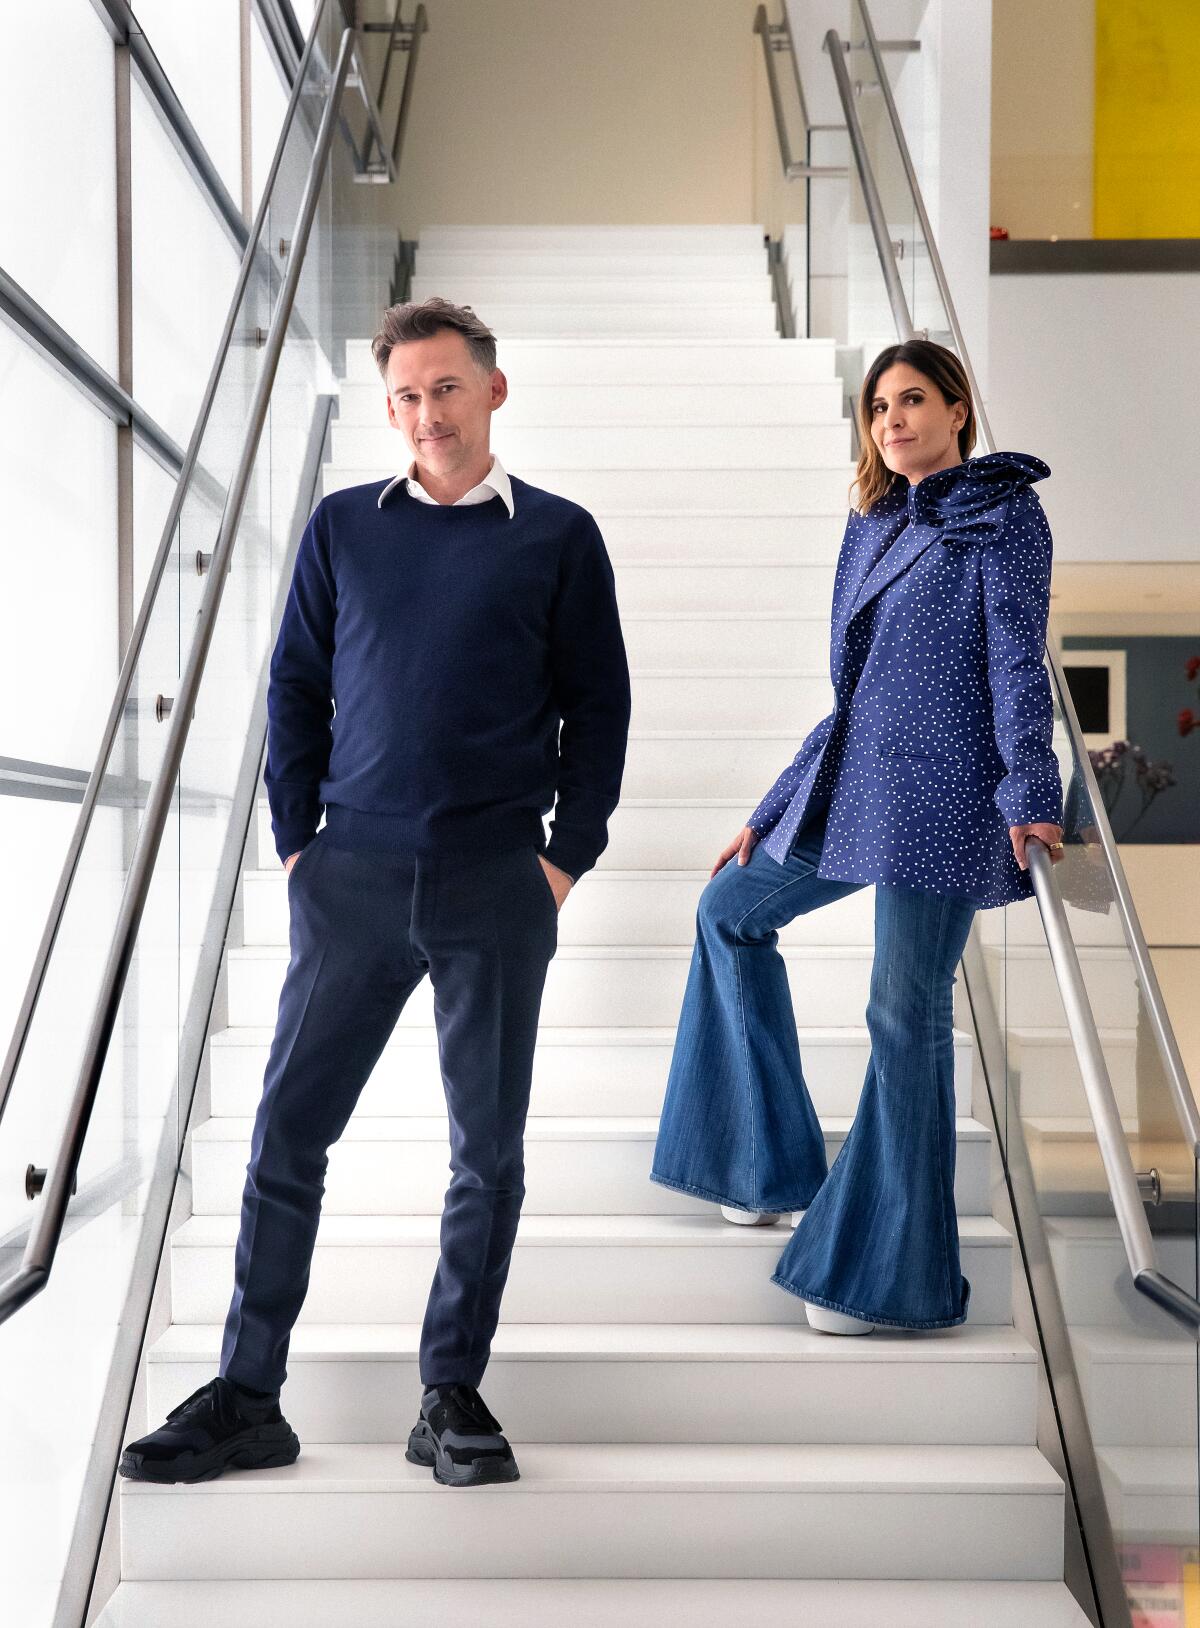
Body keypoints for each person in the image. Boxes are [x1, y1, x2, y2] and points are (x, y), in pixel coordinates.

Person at [118, 297, 631, 1487]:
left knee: (485, 1152)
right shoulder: (344, 527)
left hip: (498, 875)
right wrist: (300, 842)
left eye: (445, 388)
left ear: (492, 391)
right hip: (350, 870)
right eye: (404, 394)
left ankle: (449, 1390)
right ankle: (249, 1395)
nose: (425, 413)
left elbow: (597, 708)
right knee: (289, 1130)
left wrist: (566, 855)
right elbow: (295, 688)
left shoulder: (558, 536)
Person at [650, 338, 1064, 1336]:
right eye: (879, 407)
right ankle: (764, 1160)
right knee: (727, 911)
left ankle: (892, 1275)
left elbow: (1016, 660)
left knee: (903, 1010)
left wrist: (1030, 788)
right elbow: (855, 691)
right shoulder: (873, 520)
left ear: (960, 408)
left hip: (950, 796)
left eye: (914, 400)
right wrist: (774, 801)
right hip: (854, 778)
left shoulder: (1004, 517)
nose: (893, 421)